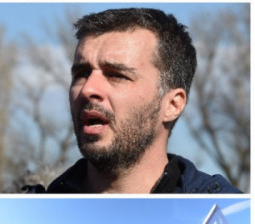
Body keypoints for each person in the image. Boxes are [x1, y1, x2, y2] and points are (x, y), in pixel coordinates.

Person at [32, 8, 241, 194]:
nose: (88, 89)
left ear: (172, 105)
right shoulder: (37, 207)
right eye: (81, 73)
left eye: (117, 75)